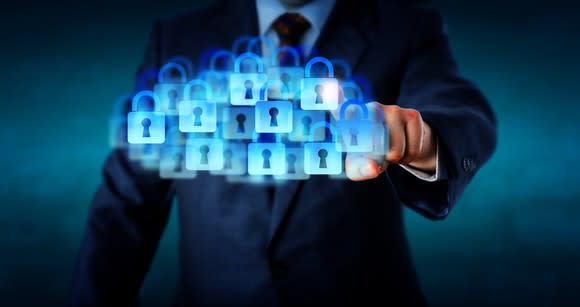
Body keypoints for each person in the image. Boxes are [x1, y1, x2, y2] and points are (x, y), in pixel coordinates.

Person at [72, 0, 497, 306]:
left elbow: (459, 109)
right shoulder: (179, 39)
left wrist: (418, 139)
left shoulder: (405, 28)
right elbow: (125, 205)